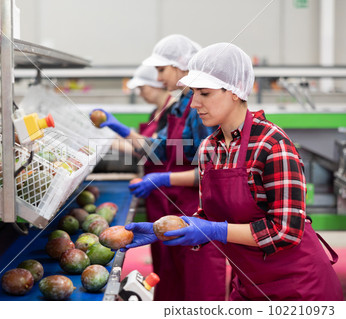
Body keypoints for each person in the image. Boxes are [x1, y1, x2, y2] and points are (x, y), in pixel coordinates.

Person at [124, 42, 343, 301]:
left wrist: (214, 230)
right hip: (247, 284)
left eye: (204, 93)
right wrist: (165, 229)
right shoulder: (209, 148)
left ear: (235, 92)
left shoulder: (272, 145)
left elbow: (286, 231)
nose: (194, 103)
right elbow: (208, 215)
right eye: (193, 93)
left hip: (298, 287)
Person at [93, 34, 226, 301]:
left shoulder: (199, 108)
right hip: (175, 208)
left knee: (199, 291)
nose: (158, 77)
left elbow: (212, 172)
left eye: (161, 69)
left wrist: (163, 179)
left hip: (198, 210)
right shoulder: (179, 106)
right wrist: (118, 129)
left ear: (181, 66)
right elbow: (163, 148)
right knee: (173, 284)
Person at [126, 64, 174, 139]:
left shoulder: (173, 111)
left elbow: (153, 145)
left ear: (156, 85)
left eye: (142, 89)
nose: (140, 94)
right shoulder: (155, 112)